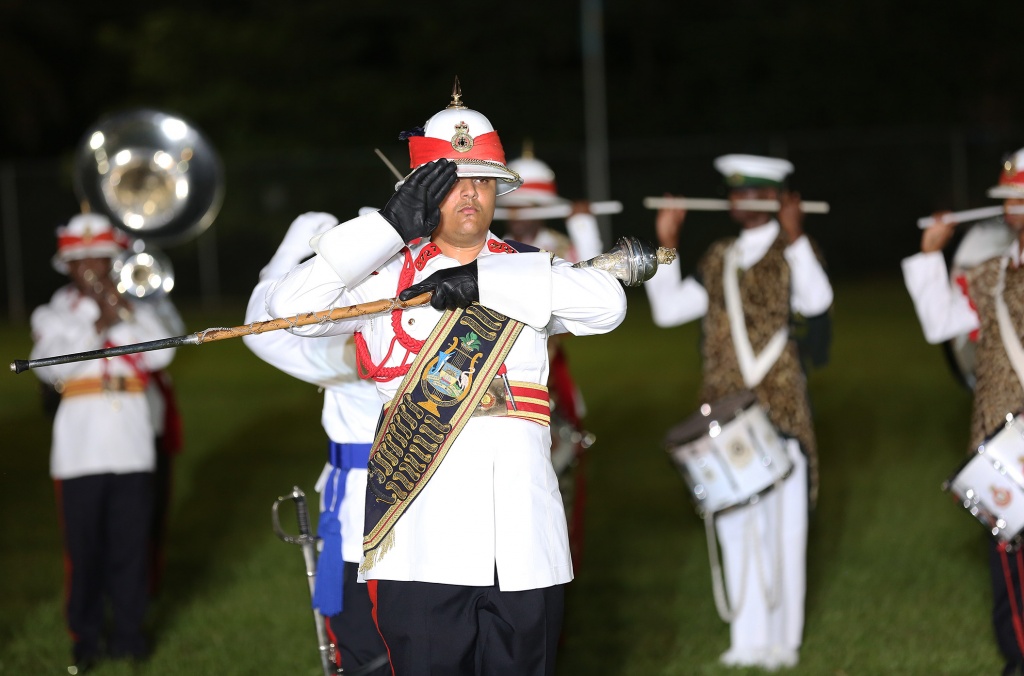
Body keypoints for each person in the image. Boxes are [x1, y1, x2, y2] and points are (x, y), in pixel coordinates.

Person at [264, 82, 627, 675]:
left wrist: (486, 283)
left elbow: (608, 305)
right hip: (421, 541)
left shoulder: (530, 273)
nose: (469, 194)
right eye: (451, 181)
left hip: (523, 542)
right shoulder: (382, 279)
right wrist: (386, 227)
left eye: (482, 180)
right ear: (419, 192)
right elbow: (290, 311)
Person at [644, 154, 833, 669]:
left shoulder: (795, 251)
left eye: (751, 192)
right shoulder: (719, 254)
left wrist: (796, 238)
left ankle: (783, 642)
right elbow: (668, 311)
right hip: (723, 417)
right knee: (734, 526)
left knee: (784, 528)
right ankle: (746, 640)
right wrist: (667, 244)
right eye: (735, 192)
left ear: (775, 199)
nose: (739, 201)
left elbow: (817, 303)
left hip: (781, 412)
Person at [29, 212, 178, 671]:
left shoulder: (138, 306)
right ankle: (86, 638)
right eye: (82, 260)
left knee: (131, 546)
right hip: (79, 449)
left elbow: (163, 352)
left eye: (101, 258)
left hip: (132, 443)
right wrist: (99, 322)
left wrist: (123, 310)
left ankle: (130, 636)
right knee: (85, 550)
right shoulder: (54, 312)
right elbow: (50, 367)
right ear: (67, 266)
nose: (92, 266)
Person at [242, 211, 388, 674]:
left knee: (364, 648)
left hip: (358, 517)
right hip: (430, 507)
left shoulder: (338, 350)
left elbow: (257, 328)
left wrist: (293, 248)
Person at [902, 147, 1024, 676]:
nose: (1013, 208)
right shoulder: (988, 273)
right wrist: (930, 255)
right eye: (1009, 199)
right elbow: (939, 324)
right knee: (1011, 565)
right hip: (1002, 441)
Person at [496, 147, 604, 565]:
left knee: (557, 475)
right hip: (497, 374)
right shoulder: (493, 246)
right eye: (514, 206)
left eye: (531, 206)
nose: (521, 216)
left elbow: (597, 287)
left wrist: (586, 230)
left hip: (547, 378)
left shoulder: (559, 246)